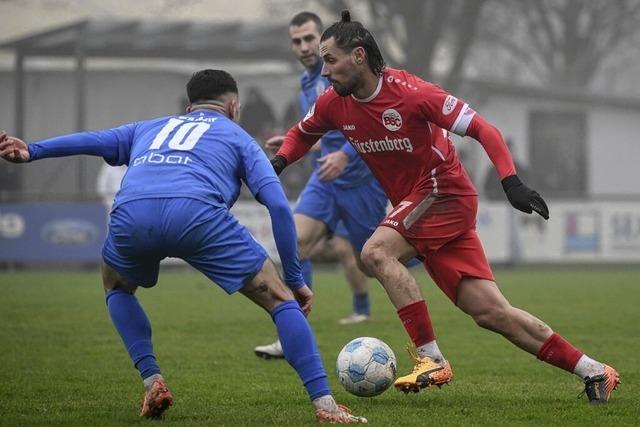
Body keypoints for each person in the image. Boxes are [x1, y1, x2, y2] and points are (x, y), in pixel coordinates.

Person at [269, 11, 620, 405]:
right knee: (491, 312)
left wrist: (511, 181)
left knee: (375, 251)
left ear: (359, 56)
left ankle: (430, 358)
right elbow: (302, 133)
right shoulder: (334, 102)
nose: (325, 70)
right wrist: (279, 163)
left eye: (330, 59)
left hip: (443, 192)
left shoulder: (413, 92)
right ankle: (594, 371)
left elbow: (485, 129)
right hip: (421, 204)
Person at [0, 69, 366, 423]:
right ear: (234, 106)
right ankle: (326, 406)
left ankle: (152, 380)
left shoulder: (150, 127)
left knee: (116, 286)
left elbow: (91, 140)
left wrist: (33, 150)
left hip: (132, 212)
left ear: (190, 105)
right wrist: (296, 276)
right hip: (196, 214)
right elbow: (277, 206)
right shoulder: (237, 137)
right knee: (280, 300)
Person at [254, 11, 388, 359]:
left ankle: (421, 256)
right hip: (324, 180)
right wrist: (297, 141)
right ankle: (292, 339)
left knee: (369, 263)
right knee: (293, 244)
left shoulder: (344, 74)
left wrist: (345, 154)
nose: (303, 46)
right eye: (296, 41)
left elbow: (366, 122)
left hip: (361, 180)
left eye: (309, 38)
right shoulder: (305, 84)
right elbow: (321, 128)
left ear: (324, 39)